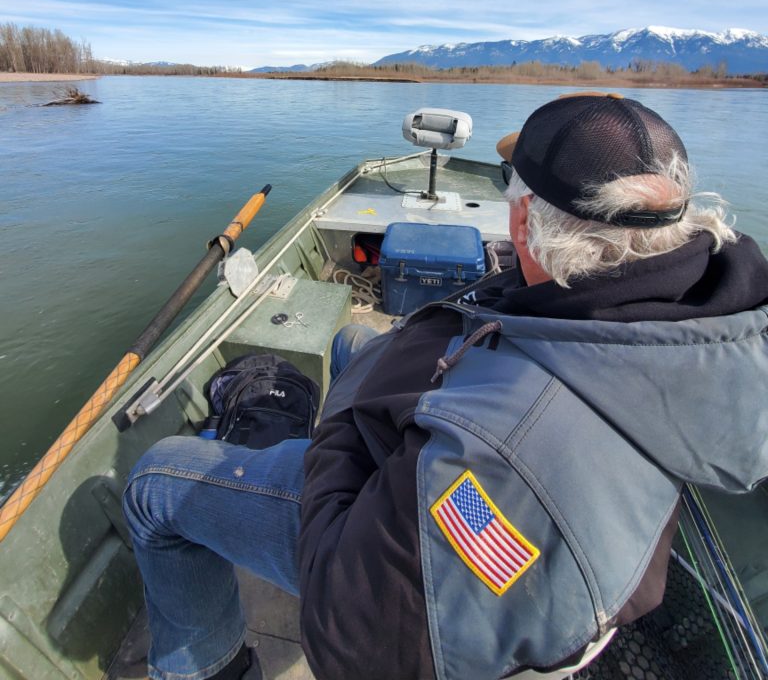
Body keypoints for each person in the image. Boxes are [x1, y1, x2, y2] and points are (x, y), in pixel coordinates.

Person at [123, 94, 768, 680]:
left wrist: (345, 420)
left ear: (521, 226)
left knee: (155, 482)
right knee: (352, 345)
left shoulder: (502, 468)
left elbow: (359, 628)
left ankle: (212, 668)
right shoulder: (688, 321)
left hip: (391, 525)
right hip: (501, 428)